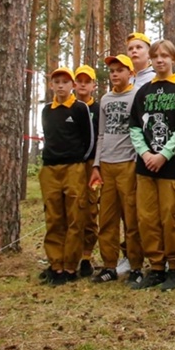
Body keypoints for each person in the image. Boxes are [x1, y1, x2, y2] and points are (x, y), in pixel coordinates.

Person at [129, 40, 175, 290]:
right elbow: (135, 127)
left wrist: (163, 155)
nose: (160, 60)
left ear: (173, 58)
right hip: (145, 168)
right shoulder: (143, 91)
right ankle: (156, 266)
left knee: (171, 218)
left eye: (165, 56)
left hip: (172, 168)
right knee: (147, 218)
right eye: (155, 56)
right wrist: (146, 153)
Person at [39, 67, 96, 285]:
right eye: (57, 82)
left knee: (75, 215)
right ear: (51, 85)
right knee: (54, 217)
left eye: (65, 81)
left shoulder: (80, 108)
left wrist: (79, 160)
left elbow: (89, 139)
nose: (61, 85)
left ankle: (71, 266)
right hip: (50, 169)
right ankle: (56, 265)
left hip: (74, 167)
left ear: (72, 85)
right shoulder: (47, 110)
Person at [91, 55, 142, 284]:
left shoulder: (137, 96)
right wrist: (96, 164)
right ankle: (109, 265)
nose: (114, 74)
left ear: (130, 73)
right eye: (111, 70)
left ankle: (136, 266)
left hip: (128, 164)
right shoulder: (105, 99)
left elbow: (141, 130)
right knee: (107, 219)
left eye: (120, 70)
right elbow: (101, 133)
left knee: (131, 218)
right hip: (107, 165)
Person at [74, 64, 99, 276]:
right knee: (71, 207)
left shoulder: (98, 110)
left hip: (92, 165)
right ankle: (68, 255)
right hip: (70, 165)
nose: (83, 84)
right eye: (79, 81)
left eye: (87, 81)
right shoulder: (68, 108)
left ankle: (86, 256)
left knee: (90, 209)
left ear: (93, 85)